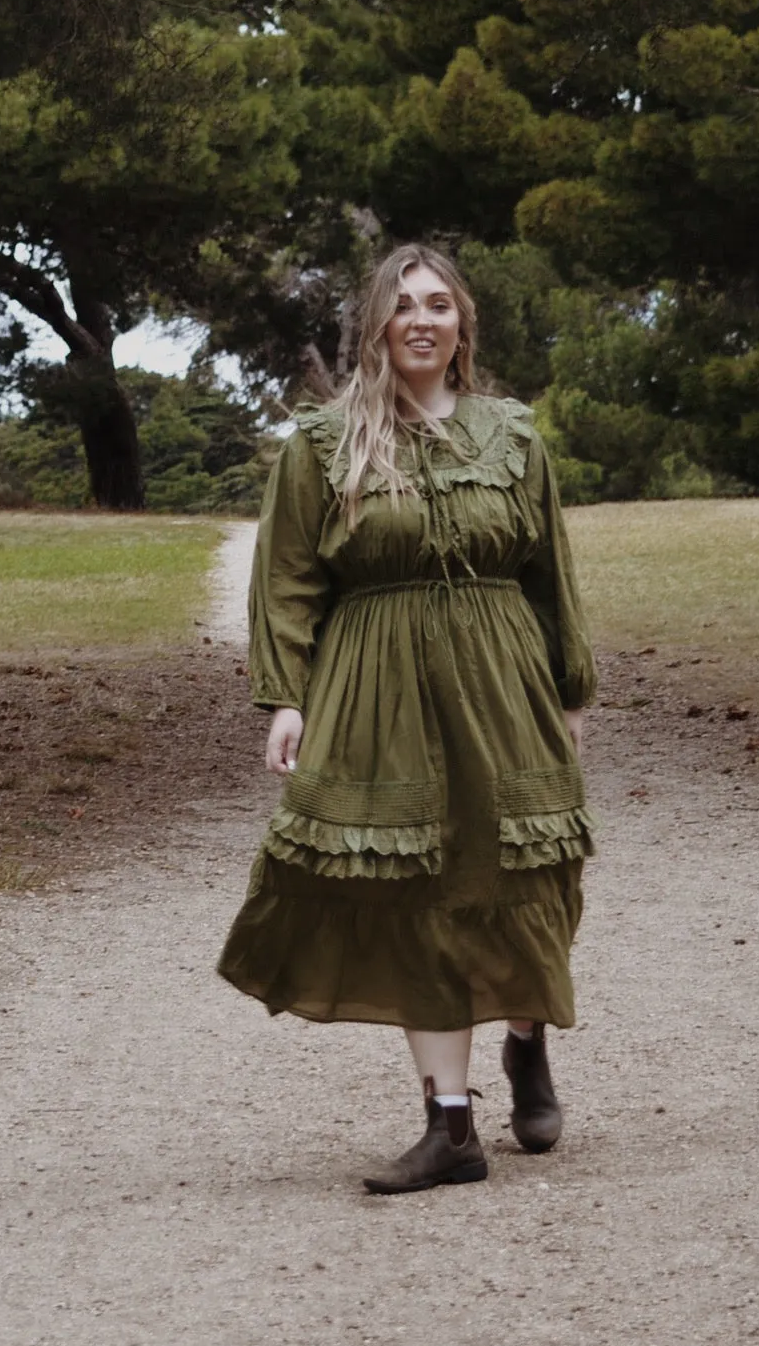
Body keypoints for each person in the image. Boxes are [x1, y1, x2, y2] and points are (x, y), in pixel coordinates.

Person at [217, 243, 596, 1194]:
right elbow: (289, 583)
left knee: (516, 875)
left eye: (438, 304)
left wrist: (569, 691)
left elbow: (550, 572)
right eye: (402, 305)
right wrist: (286, 699)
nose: (421, 319)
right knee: (414, 893)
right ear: (376, 326)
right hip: (375, 685)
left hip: (502, 676)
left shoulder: (512, 436)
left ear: (462, 322)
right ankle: (451, 1127)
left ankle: (523, 1036)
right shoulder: (325, 443)